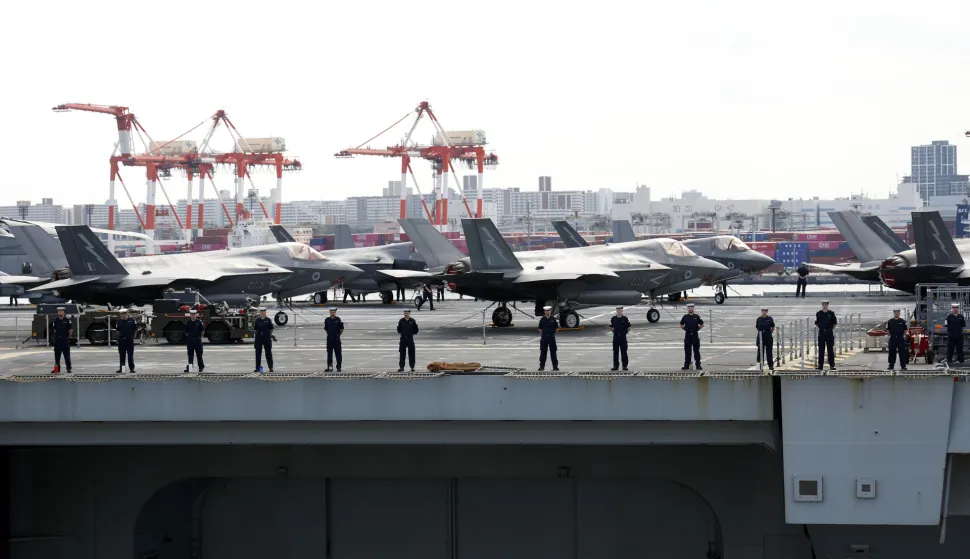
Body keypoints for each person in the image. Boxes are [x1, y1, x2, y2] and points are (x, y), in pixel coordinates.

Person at [680, 303, 704, 370]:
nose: (690, 309)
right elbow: (681, 325)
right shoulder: (685, 317)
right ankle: (686, 365)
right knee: (687, 351)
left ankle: (698, 365)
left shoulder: (697, 316)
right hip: (687, 336)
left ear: (693, 309)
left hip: (695, 336)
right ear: (687, 309)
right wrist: (685, 329)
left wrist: (697, 329)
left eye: (691, 308)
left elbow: (702, 324)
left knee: (696, 351)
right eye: (689, 308)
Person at [815, 300, 837, 370]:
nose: (824, 305)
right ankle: (820, 365)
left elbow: (834, 323)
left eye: (826, 304)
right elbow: (817, 323)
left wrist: (829, 329)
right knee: (821, 350)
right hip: (821, 333)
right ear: (822, 305)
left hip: (829, 333)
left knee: (830, 350)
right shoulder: (819, 313)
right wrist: (822, 328)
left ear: (827, 305)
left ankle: (832, 365)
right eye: (823, 304)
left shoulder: (831, 313)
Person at [50, 306, 73, 374]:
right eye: (59, 311)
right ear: (57, 313)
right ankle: (57, 369)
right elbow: (54, 330)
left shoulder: (67, 320)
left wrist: (67, 337)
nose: (60, 312)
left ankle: (69, 368)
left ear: (63, 312)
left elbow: (70, 330)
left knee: (67, 356)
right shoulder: (55, 320)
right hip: (58, 340)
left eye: (61, 311)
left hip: (64, 340)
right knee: (57, 356)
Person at [253, 308, 276, 373]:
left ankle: (270, 367)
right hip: (259, 338)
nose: (262, 313)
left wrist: (269, 335)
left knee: (268, 353)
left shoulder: (268, 320)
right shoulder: (257, 320)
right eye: (261, 312)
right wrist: (257, 335)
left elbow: (271, 328)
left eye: (263, 312)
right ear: (260, 313)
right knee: (258, 353)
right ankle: (257, 368)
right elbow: (255, 329)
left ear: (265, 313)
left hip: (266, 337)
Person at [115, 308, 137, 373]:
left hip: (129, 340)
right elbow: (117, 330)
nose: (121, 315)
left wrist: (133, 336)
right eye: (120, 314)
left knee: (130, 355)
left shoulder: (132, 320)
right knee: (122, 356)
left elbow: (135, 329)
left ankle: (131, 368)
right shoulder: (119, 321)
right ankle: (122, 369)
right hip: (121, 341)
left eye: (122, 314)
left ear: (126, 314)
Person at [537, 305, 559, 371]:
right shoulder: (542, 320)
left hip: (551, 338)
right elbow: (539, 329)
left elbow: (557, 328)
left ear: (550, 311)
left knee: (553, 353)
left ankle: (555, 367)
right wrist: (543, 335)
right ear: (544, 312)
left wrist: (552, 334)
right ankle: (542, 367)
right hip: (544, 338)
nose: (547, 312)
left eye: (548, 311)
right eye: (546, 311)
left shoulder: (553, 319)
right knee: (543, 353)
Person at [610, 306, 631, 371]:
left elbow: (629, 327)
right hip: (616, 338)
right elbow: (611, 327)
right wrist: (614, 331)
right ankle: (615, 366)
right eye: (618, 310)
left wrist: (625, 332)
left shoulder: (625, 318)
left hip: (623, 338)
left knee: (624, 352)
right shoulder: (613, 318)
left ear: (622, 311)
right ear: (616, 311)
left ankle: (624, 366)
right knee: (615, 353)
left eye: (620, 310)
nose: (619, 312)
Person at [324, 307, 344, 372]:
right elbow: (326, 328)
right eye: (331, 312)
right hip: (329, 339)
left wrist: (338, 335)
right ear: (329, 312)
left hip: (336, 339)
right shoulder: (327, 320)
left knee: (338, 354)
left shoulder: (338, 319)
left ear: (335, 312)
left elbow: (341, 329)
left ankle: (339, 367)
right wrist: (330, 334)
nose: (332, 313)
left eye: (333, 312)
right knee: (329, 354)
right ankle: (330, 367)